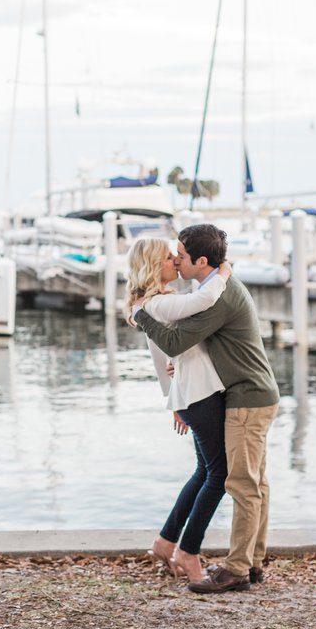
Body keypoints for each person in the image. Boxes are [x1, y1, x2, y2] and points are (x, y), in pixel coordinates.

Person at [133, 224, 279, 594]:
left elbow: (176, 339)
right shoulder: (209, 290)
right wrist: (177, 371)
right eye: (172, 254)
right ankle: (250, 562)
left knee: (240, 484)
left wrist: (140, 314)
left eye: (180, 254)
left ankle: (237, 568)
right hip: (244, 395)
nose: (176, 259)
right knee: (249, 482)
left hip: (246, 398)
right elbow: (183, 345)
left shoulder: (218, 294)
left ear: (200, 260)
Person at [124, 237, 232, 586]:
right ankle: (188, 551)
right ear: (155, 266)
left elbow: (164, 358)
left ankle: (166, 540)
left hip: (190, 395)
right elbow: (204, 298)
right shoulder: (159, 303)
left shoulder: (153, 303)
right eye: (169, 257)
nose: (175, 261)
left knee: (205, 471)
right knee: (219, 475)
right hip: (199, 395)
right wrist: (224, 272)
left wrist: (173, 395)